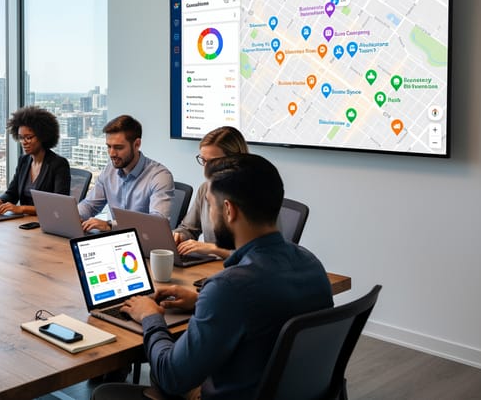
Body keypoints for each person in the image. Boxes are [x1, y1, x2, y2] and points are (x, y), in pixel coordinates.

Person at [93, 154, 333, 400]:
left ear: (228, 210)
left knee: (106, 393)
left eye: (211, 205)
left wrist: (150, 317)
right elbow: (265, 310)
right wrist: (200, 301)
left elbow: (171, 376)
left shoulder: (229, 287)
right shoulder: (312, 264)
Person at [77, 115, 174, 233]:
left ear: (137, 144)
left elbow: (157, 222)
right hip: (117, 242)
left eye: (118, 147)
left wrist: (110, 225)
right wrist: (75, 216)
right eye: (109, 146)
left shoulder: (159, 176)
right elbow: (89, 205)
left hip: (145, 244)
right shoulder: (109, 171)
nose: (112, 153)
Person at [174, 126, 249, 260]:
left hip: (246, 273)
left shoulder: (257, 192)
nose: (206, 170)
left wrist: (212, 248)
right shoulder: (206, 189)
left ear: (235, 160)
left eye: (214, 162)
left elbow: (255, 254)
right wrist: (179, 236)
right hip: (212, 269)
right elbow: (189, 229)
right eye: (203, 160)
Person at [0, 106, 71, 215]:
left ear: (43, 137)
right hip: (24, 223)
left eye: (28, 137)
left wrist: (22, 209)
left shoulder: (58, 164)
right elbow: (12, 194)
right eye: (20, 137)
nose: (24, 142)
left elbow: (59, 205)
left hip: (47, 223)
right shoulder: (23, 161)